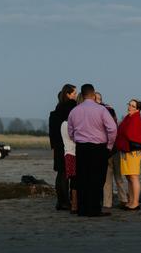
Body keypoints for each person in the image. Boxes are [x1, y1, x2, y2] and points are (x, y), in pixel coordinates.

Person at [66, 83, 117, 217]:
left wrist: (76, 139)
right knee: (97, 178)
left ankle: (83, 209)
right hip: (99, 148)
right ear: (94, 95)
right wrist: (109, 145)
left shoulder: (75, 111)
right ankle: (94, 209)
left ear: (82, 95)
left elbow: (70, 130)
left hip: (82, 148)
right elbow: (112, 128)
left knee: (82, 178)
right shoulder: (101, 110)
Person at [96, 92, 127, 209]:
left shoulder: (98, 111)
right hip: (115, 147)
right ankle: (123, 199)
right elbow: (115, 126)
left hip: (105, 147)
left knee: (107, 178)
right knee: (118, 176)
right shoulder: (110, 109)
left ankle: (107, 203)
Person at [48, 84, 77, 210]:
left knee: (60, 173)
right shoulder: (72, 108)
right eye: (74, 93)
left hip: (57, 145)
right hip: (68, 145)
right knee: (66, 174)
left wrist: (53, 147)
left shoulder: (55, 111)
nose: (76, 95)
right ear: (68, 94)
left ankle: (60, 201)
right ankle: (66, 202)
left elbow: (52, 133)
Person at [114, 98, 141, 211]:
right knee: (128, 177)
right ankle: (131, 200)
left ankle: (135, 203)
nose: (130, 107)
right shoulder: (128, 117)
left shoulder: (137, 119)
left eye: (133, 106)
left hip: (133, 152)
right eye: (129, 105)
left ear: (138, 109)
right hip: (126, 150)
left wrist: (121, 136)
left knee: (134, 176)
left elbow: (131, 134)